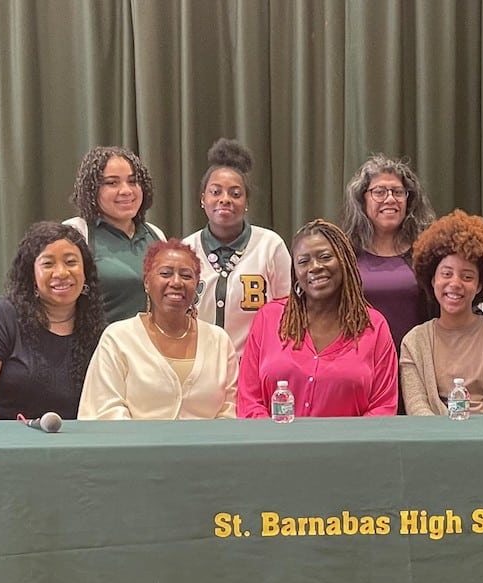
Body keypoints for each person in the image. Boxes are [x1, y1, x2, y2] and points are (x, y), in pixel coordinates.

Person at [0, 222, 106, 421]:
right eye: (48, 264)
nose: (62, 273)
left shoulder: (97, 329)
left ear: (85, 272)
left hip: (49, 445)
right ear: (31, 275)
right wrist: (8, 449)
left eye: (71, 262)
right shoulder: (1, 316)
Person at [237, 219, 398, 418]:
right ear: (295, 272)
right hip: (275, 446)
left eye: (325, 257)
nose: (315, 267)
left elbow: (383, 406)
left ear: (344, 261)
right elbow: (249, 400)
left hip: (351, 448)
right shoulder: (269, 318)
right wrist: (276, 442)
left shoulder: (373, 326)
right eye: (304, 262)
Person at [78, 240, 237, 419]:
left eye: (186, 276)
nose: (176, 282)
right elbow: (105, 411)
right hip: (135, 445)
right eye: (165, 273)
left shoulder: (219, 341)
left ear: (197, 286)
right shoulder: (118, 338)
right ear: (147, 282)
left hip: (212, 446)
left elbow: (230, 411)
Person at [401, 209, 483, 415]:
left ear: (479, 286)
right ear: (433, 280)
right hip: (435, 442)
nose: (455, 283)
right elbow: (417, 409)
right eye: (446, 274)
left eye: (467, 277)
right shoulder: (414, 343)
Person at [183, 138, 291, 357]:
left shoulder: (270, 246)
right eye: (215, 192)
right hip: (199, 368)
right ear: (202, 198)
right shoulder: (186, 250)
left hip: (256, 367)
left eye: (235, 194)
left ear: (247, 202)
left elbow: (288, 312)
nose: (225, 199)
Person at [341, 154, 436, 351]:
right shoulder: (345, 254)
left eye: (398, 192)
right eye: (380, 192)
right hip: (362, 363)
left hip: (417, 364)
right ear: (362, 199)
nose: (390, 199)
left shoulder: (428, 251)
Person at [66, 145, 167, 323]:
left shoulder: (155, 234)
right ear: (92, 189)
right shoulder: (76, 233)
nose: (126, 190)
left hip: (152, 348)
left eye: (133, 181)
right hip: (97, 348)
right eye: (112, 182)